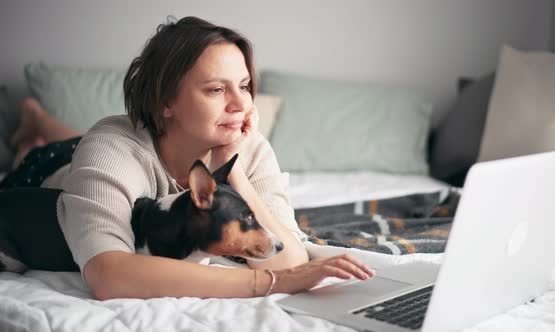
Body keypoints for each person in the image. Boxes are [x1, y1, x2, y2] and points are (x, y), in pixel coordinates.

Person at [2, 16, 375, 300]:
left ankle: (39, 121)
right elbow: (107, 274)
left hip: (123, 153)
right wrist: (264, 282)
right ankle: (34, 123)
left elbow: (290, 259)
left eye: (244, 86)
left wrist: (234, 173)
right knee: (44, 150)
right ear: (166, 102)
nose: (241, 104)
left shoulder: (250, 146)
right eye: (216, 89)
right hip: (54, 168)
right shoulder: (111, 147)